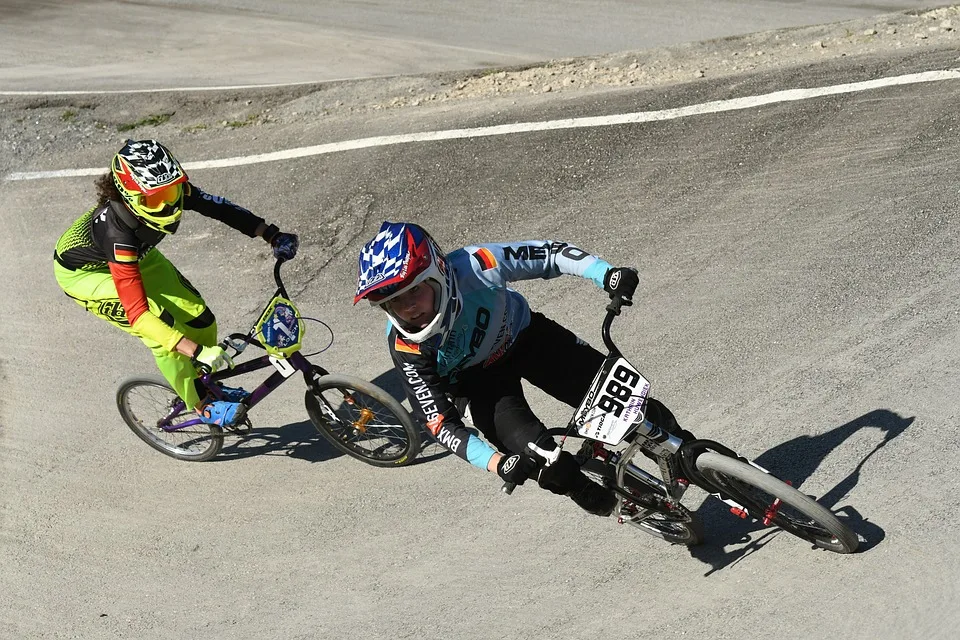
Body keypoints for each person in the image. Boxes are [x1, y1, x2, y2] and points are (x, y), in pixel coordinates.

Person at [353, 221, 686, 517]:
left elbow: (549, 254)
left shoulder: (476, 264)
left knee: (631, 408)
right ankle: (577, 487)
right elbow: (440, 423)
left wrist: (605, 274)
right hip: (478, 386)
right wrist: (498, 464)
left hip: (527, 338)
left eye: (415, 290)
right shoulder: (405, 346)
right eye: (395, 301)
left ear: (439, 273)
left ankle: (694, 456)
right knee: (546, 462)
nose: (409, 307)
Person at [53, 139, 299, 426]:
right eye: (155, 199)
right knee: (161, 327)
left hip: (138, 257)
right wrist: (195, 351)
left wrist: (271, 234)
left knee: (200, 320)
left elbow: (221, 209)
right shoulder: (116, 235)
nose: (169, 204)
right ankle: (201, 404)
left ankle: (202, 382)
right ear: (129, 196)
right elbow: (139, 315)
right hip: (88, 274)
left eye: (171, 190)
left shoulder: (173, 192)